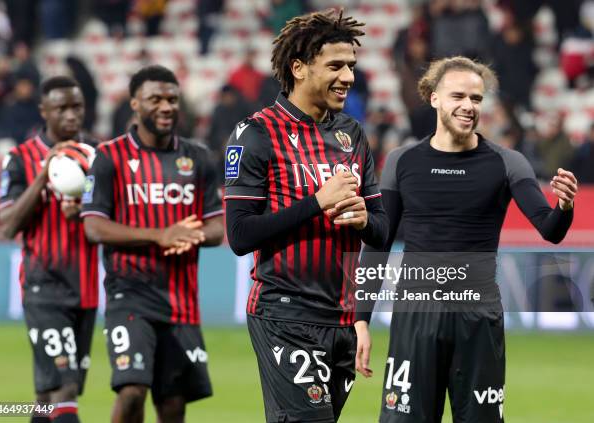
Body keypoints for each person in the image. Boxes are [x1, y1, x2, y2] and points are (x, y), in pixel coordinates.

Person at [354, 56, 578, 423]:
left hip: (477, 317)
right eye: (458, 95)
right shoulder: (402, 161)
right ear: (434, 98)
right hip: (415, 316)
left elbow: (550, 229)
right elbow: (378, 243)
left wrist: (564, 205)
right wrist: (361, 319)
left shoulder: (508, 162)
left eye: (476, 98)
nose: (468, 106)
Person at [224, 9, 388, 423]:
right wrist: (317, 202)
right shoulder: (255, 134)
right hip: (285, 314)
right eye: (335, 66)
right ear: (298, 68)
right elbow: (240, 235)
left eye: (351, 66)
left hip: (342, 320)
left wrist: (364, 218)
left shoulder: (352, 134)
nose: (348, 77)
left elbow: (383, 230)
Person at [81, 65, 224, 423]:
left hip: (181, 301)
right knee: (131, 392)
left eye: (172, 99)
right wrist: (160, 235)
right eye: (155, 99)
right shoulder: (108, 157)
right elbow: (94, 227)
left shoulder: (200, 158)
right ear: (134, 103)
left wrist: (190, 234)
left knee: (173, 405)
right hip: (129, 294)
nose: (166, 106)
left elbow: (217, 228)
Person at [0, 75, 99, 423]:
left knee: (46, 395)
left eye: (77, 107)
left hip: (86, 290)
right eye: (61, 108)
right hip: (44, 287)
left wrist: (82, 211)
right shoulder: (20, 158)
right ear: (44, 111)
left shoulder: (98, 155)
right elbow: (8, 225)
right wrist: (44, 177)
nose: (71, 116)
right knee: (65, 388)